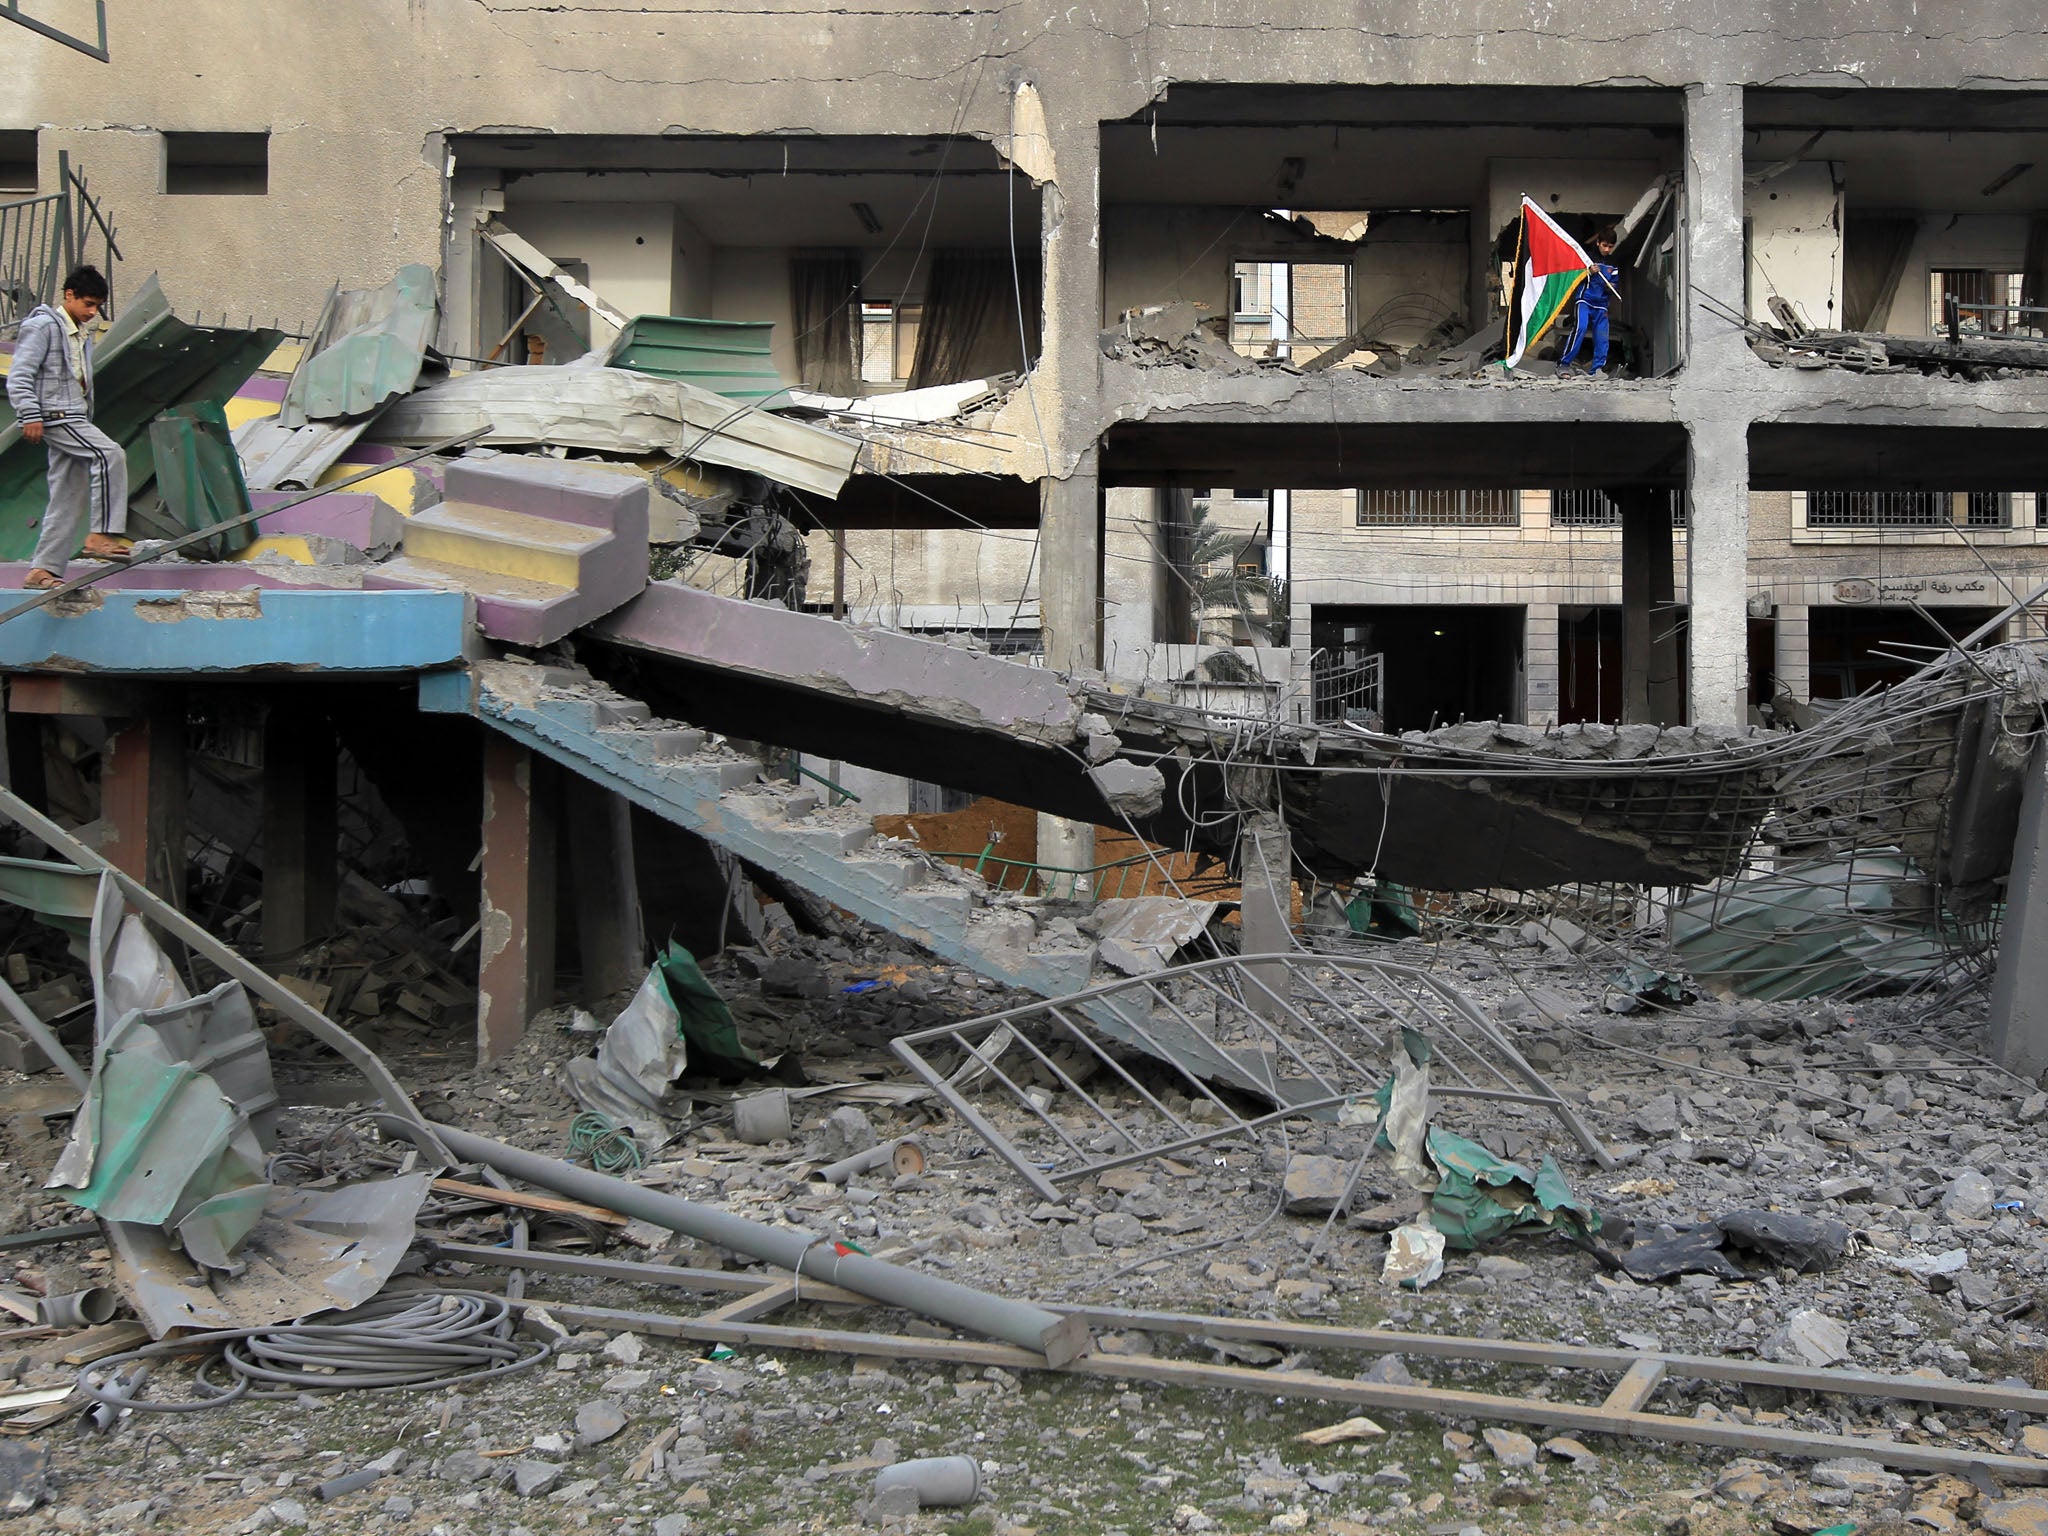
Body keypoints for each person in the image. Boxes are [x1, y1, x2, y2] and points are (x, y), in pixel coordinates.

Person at [5, 265, 130, 589]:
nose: (92, 312)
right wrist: (30, 415)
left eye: (97, 306)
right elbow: (20, 376)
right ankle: (100, 534)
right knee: (109, 454)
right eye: (88, 304)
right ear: (68, 295)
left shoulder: (79, 333)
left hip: (75, 415)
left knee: (67, 496)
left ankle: (42, 570)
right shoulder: (44, 326)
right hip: (58, 415)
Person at [1558, 227, 1620, 377]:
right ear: (1598, 243)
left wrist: (1611, 286)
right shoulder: (1588, 259)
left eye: (1610, 247)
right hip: (1584, 301)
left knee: (1602, 336)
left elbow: (1614, 283)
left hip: (1602, 304)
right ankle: (1564, 365)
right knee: (1580, 327)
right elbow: (1575, 277)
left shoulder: (1613, 263)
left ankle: (1597, 370)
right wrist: (1588, 272)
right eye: (1604, 245)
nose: (1607, 249)